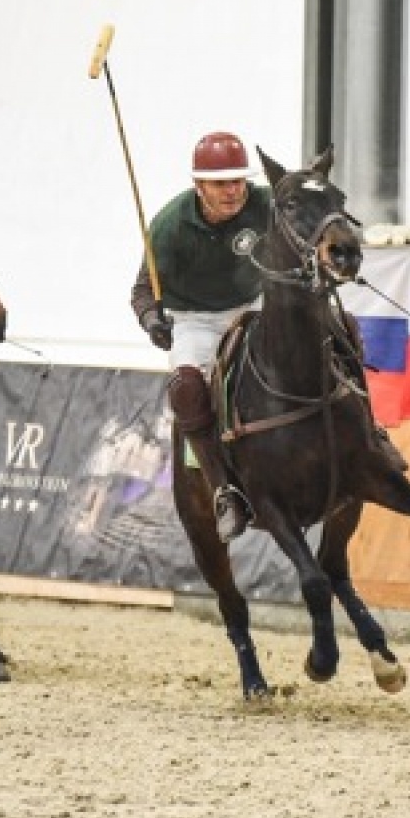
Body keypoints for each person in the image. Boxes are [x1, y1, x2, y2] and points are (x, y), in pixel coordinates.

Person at [129, 131, 271, 542]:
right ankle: (224, 491)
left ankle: (370, 435)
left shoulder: (265, 204)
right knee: (186, 387)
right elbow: (142, 292)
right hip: (195, 318)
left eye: (238, 181)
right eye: (220, 183)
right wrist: (153, 320)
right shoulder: (170, 225)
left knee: (324, 327)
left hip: (254, 303)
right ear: (199, 186)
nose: (232, 191)